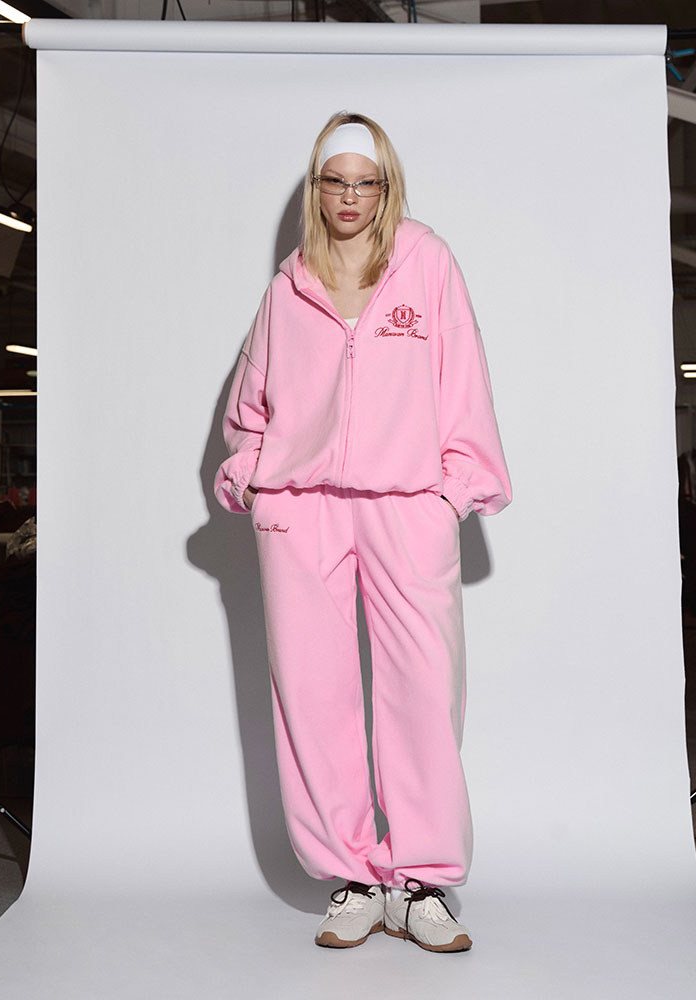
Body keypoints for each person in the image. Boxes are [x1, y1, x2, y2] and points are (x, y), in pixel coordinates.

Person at [214, 111, 511, 953]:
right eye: (335, 182)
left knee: (423, 686)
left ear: (387, 189)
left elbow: (463, 379)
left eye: (366, 183)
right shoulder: (289, 286)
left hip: (406, 500)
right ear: (317, 190)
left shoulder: (427, 263)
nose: (350, 197)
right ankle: (354, 877)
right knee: (312, 695)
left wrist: (452, 490)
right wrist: (254, 476)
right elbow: (251, 402)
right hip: (301, 505)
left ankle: (422, 880)